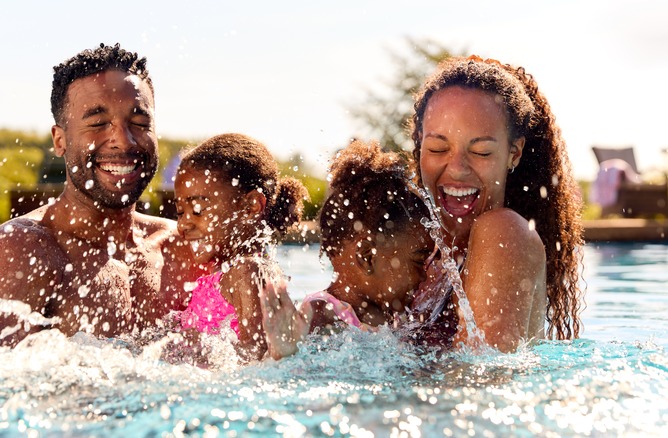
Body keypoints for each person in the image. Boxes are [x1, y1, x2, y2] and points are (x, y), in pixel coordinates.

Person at [0, 44, 198, 355]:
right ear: (60, 139)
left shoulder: (183, 247)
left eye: (139, 122)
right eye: (97, 123)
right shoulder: (16, 254)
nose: (123, 139)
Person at [407, 55, 585, 352]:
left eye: (481, 152)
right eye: (438, 148)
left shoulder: (503, 233)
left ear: (514, 154)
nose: (457, 168)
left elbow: (481, 383)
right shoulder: (426, 253)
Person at [258, 140, 435, 359]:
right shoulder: (321, 315)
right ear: (367, 257)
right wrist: (285, 355)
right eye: (419, 261)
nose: (425, 275)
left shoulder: (394, 317)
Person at [172, 133, 308, 361]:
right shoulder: (230, 270)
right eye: (179, 212)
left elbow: (255, 358)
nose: (183, 223)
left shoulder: (247, 272)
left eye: (197, 210)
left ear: (251, 205)